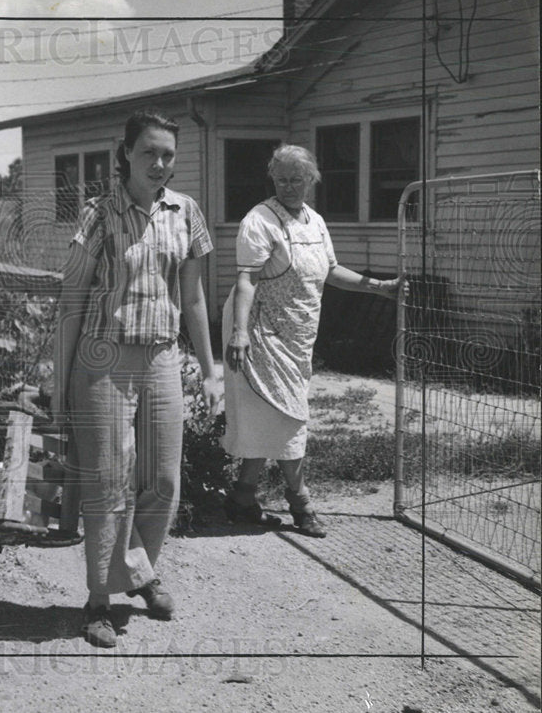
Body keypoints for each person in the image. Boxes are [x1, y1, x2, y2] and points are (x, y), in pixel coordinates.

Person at [54, 109, 220, 648]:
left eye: (168, 154)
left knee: (164, 480)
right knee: (108, 484)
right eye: (149, 152)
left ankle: (140, 570)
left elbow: (193, 297)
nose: (159, 163)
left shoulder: (186, 211)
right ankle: (99, 598)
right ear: (125, 153)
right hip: (102, 360)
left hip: (163, 358)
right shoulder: (99, 214)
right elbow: (73, 297)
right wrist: (60, 380)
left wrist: (211, 370)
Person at [221, 144, 403, 538]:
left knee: (269, 415)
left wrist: (381, 288)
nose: (289, 186)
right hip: (259, 328)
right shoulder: (259, 220)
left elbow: (331, 271)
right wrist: (239, 333)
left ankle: (242, 497)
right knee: (289, 415)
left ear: (311, 180)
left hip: (299, 333)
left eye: (297, 179)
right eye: (282, 179)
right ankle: (301, 502)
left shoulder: (315, 222)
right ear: (273, 178)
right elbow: (246, 280)